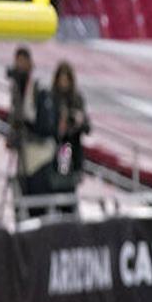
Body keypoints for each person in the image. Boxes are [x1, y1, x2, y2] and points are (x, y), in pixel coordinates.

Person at [6, 46, 57, 218]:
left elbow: (47, 126)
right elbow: (14, 118)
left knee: (39, 207)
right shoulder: (16, 89)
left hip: (40, 158)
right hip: (23, 158)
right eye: (16, 62)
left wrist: (27, 126)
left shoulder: (39, 89)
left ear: (29, 63)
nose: (19, 66)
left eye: (22, 62)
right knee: (22, 204)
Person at [51, 61, 90, 208]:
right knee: (56, 188)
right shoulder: (51, 98)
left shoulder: (77, 99)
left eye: (66, 80)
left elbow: (87, 127)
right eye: (61, 79)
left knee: (70, 191)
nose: (64, 83)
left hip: (72, 149)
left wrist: (78, 121)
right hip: (57, 149)